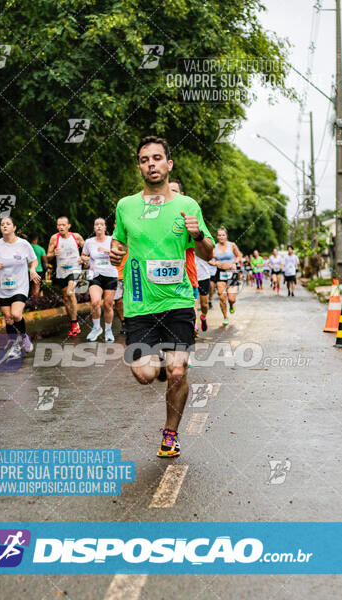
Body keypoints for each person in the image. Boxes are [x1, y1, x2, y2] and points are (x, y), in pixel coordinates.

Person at [110, 135, 214, 458]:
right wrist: (115, 254)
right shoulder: (126, 206)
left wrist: (197, 235)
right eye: (145, 159)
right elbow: (118, 245)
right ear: (140, 166)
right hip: (140, 304)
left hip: (178, 302)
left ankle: (170, 433)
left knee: (178, 370)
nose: (151, 164)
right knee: (144, 373)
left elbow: (208, 253)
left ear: (169, 164)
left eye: (157, 158)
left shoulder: (187, 206)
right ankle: (159, 369)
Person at [0, 216, 40, 352]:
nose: (4, 226)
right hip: (2, 287)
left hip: (20, 286)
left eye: (8, 224)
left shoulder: (23, 244)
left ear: (14, 227)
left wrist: (33, 269)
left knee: (16, 314)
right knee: (8, 317)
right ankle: (13, 344)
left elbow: (34, 260)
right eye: (2, 224)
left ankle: (23, 337)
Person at [169, 180, 200, 335]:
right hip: (164, 278)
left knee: (190, 310)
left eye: (174, 190)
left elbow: (205, 248)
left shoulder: (190, 215)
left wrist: (195, 233)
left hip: (188, 272)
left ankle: (193, 324)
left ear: (181, 194)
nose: (171, 194)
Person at [81, 218, 118, 343]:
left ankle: (108, 330)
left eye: (101, 225)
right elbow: (84, 255)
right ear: (94, 227)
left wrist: (107, 250)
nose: (99, 227)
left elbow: (120, 253)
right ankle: (96, 328)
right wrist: (84, 259)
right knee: (95, 302)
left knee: (108, 305)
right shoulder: (89, 242)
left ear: (105, 228)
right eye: (96, 224)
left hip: (110, 275)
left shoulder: (111, 240)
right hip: (95, 275)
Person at [46, 216, 85, 337]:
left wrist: (84, 257)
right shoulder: (54, 238)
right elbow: (47, 256)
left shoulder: (76, 237)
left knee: (70, 292)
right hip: (61, 271)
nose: (61, 227)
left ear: (69, 226)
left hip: (75, 269)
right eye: (59, 225)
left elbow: (87, 249)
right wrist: (53, 253)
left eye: (63, 225)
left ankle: (74, 324)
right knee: (66, 298)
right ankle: (73, 323)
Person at [214, 227, 241, 326]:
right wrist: (215, 263)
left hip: (231, 273)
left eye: (223, 235)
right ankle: (225, 317)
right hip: (220, 273)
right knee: (222, 296)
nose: (221, 237)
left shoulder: (232, 245)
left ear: (226, 236)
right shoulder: (215, 247)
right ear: (217, 236)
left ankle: (231, 305)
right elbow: (210, 259)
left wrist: (235, 263)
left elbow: (239, 256)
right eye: (219, 235)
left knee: (231, 298)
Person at [195, 254, 211, 332]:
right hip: (190, 277)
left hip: (204, 277)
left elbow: (212, 255)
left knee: (204, 304)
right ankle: (194, 324)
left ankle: (203, 317)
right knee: (192, 303)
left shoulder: (203, 242)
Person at [29, 233, 47, 298]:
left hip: (28, 270)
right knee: (37, 287)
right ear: (36, 239)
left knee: (30, 288)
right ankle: (36, 304)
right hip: (38, 270)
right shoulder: (41, 249)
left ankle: (30, 304)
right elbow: (45, 260)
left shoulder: (27, 247)